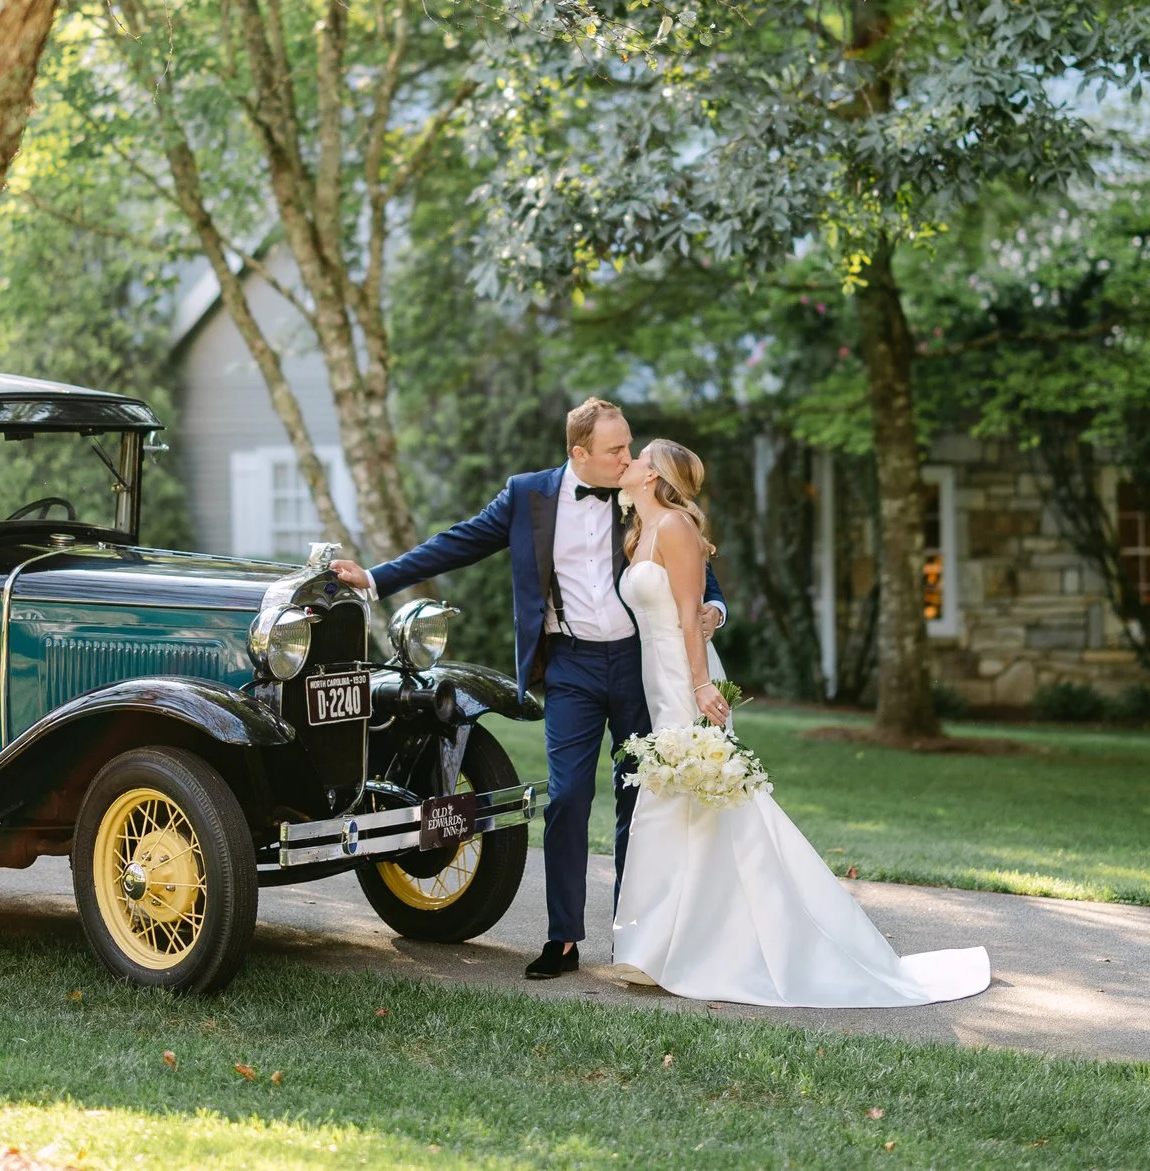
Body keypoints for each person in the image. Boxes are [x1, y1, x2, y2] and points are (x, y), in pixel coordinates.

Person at [329, 398, 722, 980]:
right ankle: (563, 938)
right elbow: (459, 541)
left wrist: (715, 607)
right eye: (615, 449)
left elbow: (690, 555)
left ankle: (636, 939)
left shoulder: (636, 492)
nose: (628, 457)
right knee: (566, 798)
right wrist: (376, 578)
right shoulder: (528, 495)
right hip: (569, 667)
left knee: (640, 794)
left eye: (629, 445)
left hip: (639, 664)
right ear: (579, 452)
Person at [609, 438, 992, 1008]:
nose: (630, 462)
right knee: (675, 801)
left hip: (687, 678)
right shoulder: (639, 532)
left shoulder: (675, 528)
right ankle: (659, 946)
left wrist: (701, 685)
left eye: (640, 457)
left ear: (655, 475)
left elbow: (690, 616)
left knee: (705, 799)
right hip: (657, 680)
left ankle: (706, 945)